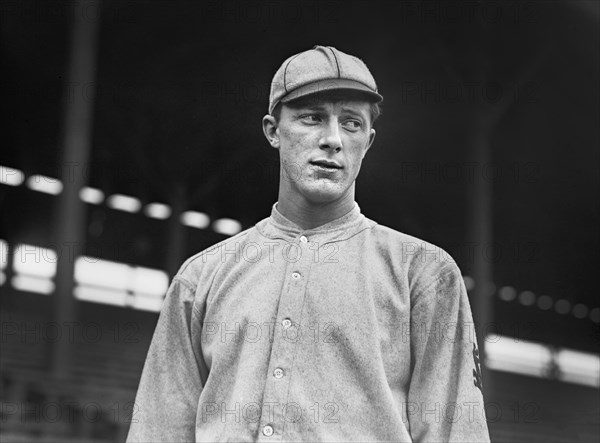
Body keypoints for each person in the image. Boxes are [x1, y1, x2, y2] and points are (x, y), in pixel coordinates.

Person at [127, 45, 490, 442]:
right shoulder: (201, 278)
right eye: (312, 118)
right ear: (273, 130)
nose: (332, 139)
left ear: (367, 142)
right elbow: (158, 430)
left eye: (350, 123)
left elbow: (457, 433)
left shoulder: (424, 272)